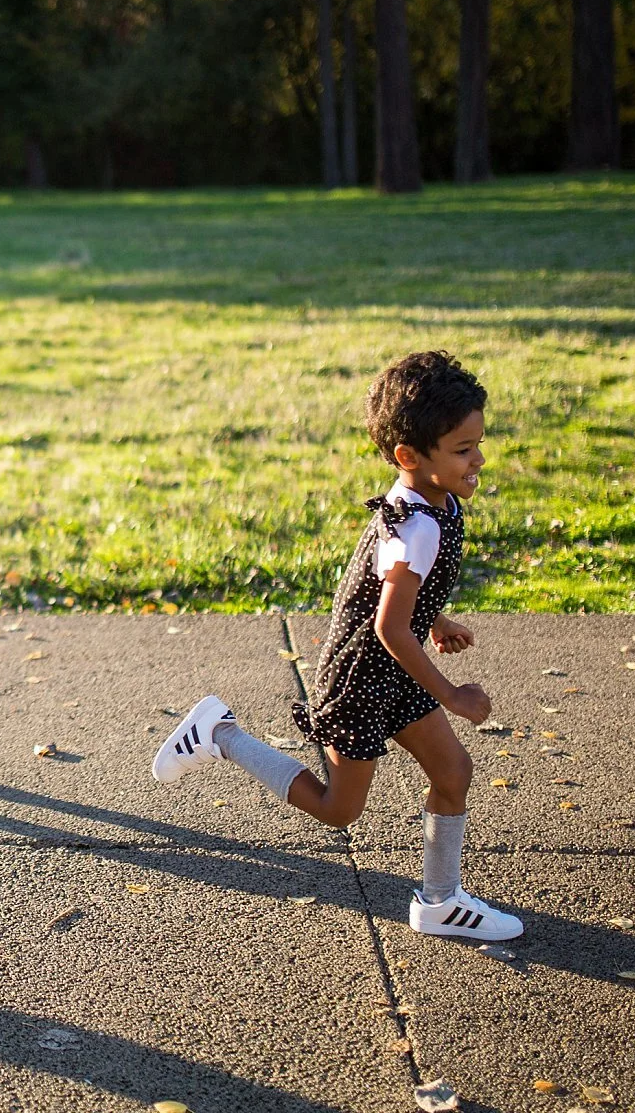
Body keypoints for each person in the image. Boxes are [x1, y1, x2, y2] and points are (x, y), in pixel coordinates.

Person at [153, 351, 523, 941]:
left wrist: (435, 618)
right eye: (463, 449)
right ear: (409, 457)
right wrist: (451, 693)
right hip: (363, 680)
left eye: (479, 443)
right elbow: (387, 627)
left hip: (393, 669)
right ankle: (220, 735)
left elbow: (395, 595)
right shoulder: (420, 524)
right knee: (337, 810)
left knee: (453, 771)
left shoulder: (431, 500)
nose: (479, 459)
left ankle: (439, 901)